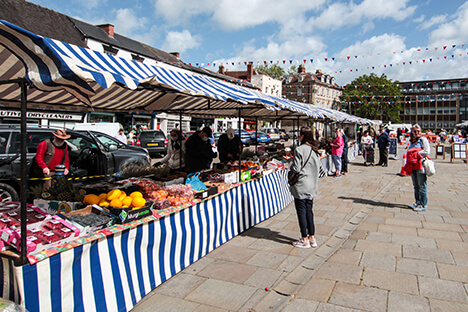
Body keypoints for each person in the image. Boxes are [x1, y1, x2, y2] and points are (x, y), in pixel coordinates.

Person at [289, 126, 321, 248]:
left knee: (301, 211)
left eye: (300, 134)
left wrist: (290, 163)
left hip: (302, 185)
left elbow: (296, 168)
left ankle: (304, 239)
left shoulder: (299, 150)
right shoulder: (315, 150)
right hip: (312, 185)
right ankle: (312, 237)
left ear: (302, 136)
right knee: (309, 210)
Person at [406, 124, 430, 212]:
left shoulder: (423, 140)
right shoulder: (412, 141)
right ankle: (417, 202)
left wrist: (416, 153)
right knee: (416, 185)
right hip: (412, 165)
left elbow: (427, 151)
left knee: (422, 185)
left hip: (420, 164)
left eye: (418, 131)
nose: (417, 133)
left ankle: (423, 204)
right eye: (415, 131)